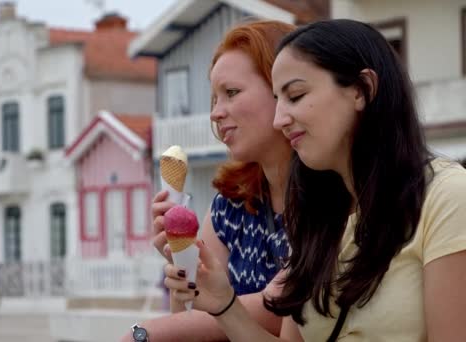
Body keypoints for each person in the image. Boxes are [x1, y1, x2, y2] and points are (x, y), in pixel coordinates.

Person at [164, 19, 466, 341]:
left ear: (362, 89)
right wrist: (224, 305)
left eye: (295, 95)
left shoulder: (446, 197)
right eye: (277, 100)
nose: (280, 119)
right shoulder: (316, 214)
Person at [120, 19, 295, 341]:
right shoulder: (231, 204)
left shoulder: (332, 202)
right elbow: (187, 321)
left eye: (231, 93)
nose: (215, 113)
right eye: (214, 99)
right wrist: (183, 263)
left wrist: (143, 334)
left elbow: (277, 308)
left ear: (284, 91)